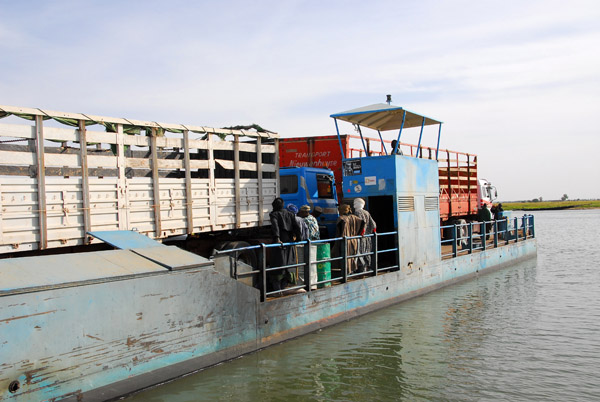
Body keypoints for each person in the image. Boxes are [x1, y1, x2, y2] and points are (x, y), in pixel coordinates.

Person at [269, 198, 302, 290]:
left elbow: (275, 227)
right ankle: (284, 287)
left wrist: (277, 239)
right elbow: (297, 227)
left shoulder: (274, 214)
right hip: (289, 242)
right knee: (288, 264)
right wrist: (298, 239)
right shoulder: (290, 214)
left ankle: (277, 289)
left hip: (279, 243)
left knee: (278, 265)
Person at [335, 204, 364, 274]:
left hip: (345, 241)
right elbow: (363, 223)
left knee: (346, 258)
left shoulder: (341, 219)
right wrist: (358, 234)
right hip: (355, 240)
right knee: (354, 256)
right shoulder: (355, 218)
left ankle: (346, 273)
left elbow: (340, 231)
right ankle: (355, 270)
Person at [353, 198, 376, 272]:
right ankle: (366, 267)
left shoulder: (358, 213)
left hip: (361, 236)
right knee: (366, 252)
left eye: (355, 203)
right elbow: (373, 225)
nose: (354, 204)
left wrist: (362, 232)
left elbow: (361, 223)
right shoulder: (367, 212)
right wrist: (372, 232)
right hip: (367, 236)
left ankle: (361, 269)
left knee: (360, 252)